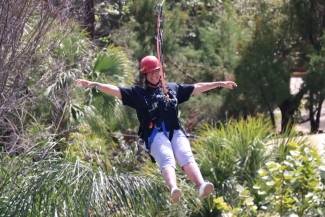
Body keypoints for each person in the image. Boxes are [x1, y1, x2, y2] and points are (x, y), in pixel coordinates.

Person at [76, 55, 237, 204]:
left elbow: (196, 87)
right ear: (145, 75)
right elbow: (117, 90)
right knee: (167, 158)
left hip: (175, 131)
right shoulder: (139, 93)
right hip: (155, 134)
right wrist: (95, 84)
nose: (154, 75)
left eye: (156, 71)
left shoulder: (172, 89)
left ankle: (201, 186)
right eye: (150, 73)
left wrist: (218, 84)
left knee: (185, 155)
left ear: (161, 72)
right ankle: (174, 188)